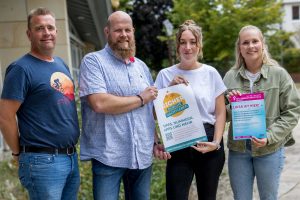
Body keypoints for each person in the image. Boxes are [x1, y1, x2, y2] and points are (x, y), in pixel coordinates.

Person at [0, 7, 80, 200]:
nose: (47, 33)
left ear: (57, 32)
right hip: (42, 161)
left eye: (50, 27)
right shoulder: (21, 69)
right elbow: (5, 116)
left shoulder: (61, 64)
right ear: (29, 34)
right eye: (40, 28)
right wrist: (18, 153)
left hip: (70, 158)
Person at [79, 11, 158, 200]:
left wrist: (156, 140)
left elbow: (149, 109)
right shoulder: (93, 61)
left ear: (133, 31)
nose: (123, 34)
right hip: (109, 156)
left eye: (127, 30)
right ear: (107, 32)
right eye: (118, 30)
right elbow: (99, 103)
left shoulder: (141, 66)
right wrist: (140, 98)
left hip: (141, 156)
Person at [223, 25, 300, 200]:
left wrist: (270, 136)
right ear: (240, 48)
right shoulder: (229, 77)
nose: (251, 46)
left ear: (262, 44)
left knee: (268, 197)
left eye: (255, 41)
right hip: (239, 151)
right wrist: (233, 106)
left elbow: (293, 111)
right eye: (245, 42)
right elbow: (222, 116)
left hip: (269, 150)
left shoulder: (279, 74)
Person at [154, 20, 226, 200]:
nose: (188, 47)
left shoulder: (211, 73)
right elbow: (155, 114)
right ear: (177, 45)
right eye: (183, 42)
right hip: (179, 143)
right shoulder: (165, 75)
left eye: (192, 42)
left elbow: (220, 113)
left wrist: (216, 143)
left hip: (208, 142)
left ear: (199, 45)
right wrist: (169, 90)